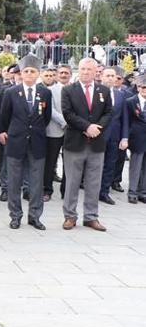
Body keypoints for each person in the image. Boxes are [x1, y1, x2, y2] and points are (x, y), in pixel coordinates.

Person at [0, 54, 52, 230]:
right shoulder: (11, 92)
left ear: (38, 73)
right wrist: (5, 132)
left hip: (37, 142)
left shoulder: (45, 93)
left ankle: (35, 216)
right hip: (16, 142)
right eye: (26, 71)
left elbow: (46, 117)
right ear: (21, 73)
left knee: (36, 182)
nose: (29, 74)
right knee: (14, 181)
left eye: (33, 71)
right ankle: (15, 215)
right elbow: (4, 117)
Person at [61, 57, 112, 231]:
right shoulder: (69, 90)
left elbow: (108, 113)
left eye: (89, 70)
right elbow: (68, 114)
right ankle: (70, 216)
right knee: (72, 182)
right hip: (75, 142)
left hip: (96, 144)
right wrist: (87, 127)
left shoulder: (103, 91)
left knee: (93, 182)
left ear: (95, 71)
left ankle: (91, 217)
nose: (85, 72)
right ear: (78, 70)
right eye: (82, 69)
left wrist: (98, 128)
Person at [99, 66, 129, 204]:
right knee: (96, 164)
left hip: (114, 136)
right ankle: (93, 190)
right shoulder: (95, 92)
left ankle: (104, 192)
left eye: (113, 76)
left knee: (110, 164)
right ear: (101, 77)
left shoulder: (121, 95)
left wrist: (124, 137)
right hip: (97, 135)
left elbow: (124, 118)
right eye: (108, 75)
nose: (111, 78)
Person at [43, 66, 66, 201]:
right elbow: (50, 111)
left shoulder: (75, 89)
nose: (64, 75)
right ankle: (47, 190)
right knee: (50, 162)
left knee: (68, 163)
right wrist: (65, 122)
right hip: (54, 130)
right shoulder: (49, 91)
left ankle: (65, 191)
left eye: (66, 73)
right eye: (61, 73)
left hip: (71, 131)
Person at [124, 75, 146, 203]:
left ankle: (143, 191)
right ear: (138, 88)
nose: (145, 90)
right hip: (137, 138)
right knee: (135, 166)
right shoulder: (131, 101)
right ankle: (132, 191)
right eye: (143, 87)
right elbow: (127, 121)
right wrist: (125, 138)